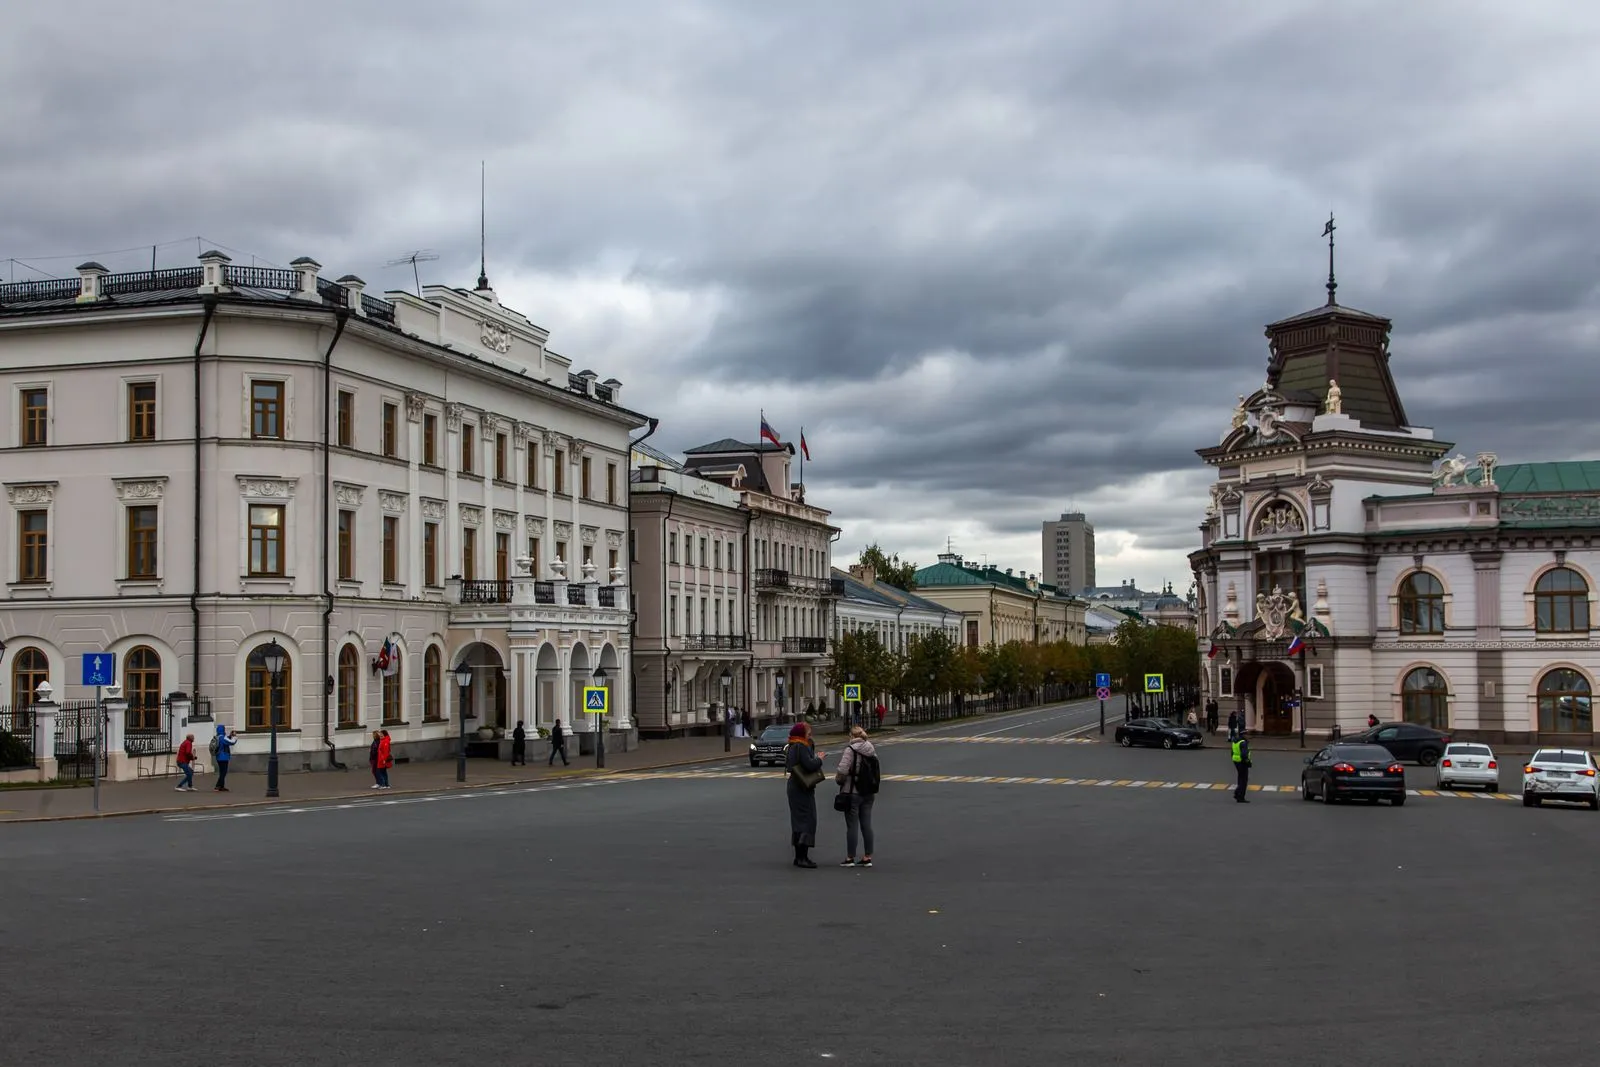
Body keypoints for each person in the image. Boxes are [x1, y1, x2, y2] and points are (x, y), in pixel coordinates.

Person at [834, 726, 878, 867]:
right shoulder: (870, 748)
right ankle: (867, 857)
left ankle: (850, 858)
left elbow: (842, 770)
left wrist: (839, 781)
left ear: (851, 736)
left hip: (852, 791)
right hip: (868, 792)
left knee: (852, 825)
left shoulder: (850, 749)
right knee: (866, 824)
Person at [784, 721, 825, 868]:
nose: (810, 735)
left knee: (799, 820)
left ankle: (799, 857)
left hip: (795, 786)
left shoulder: (793, 745)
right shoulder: (801, 746)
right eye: (808, 733)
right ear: (802, 735)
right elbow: (809, 765)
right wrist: (819, 759)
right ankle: (802, 858)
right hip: (802, 786)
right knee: (807, 820)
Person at [211, 724, 237, 791]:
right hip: (224, 757)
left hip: (219, 757)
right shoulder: (222, 737)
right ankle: (217, 786)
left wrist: (230, 736)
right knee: (223, 772)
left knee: (222, 772)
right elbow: (231, 742)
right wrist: (234, 736)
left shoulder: (218, 737)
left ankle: (221, 786)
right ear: (223, 730)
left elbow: (226, 740)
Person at [1231, 733, 1252, 803]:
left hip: (1236, 761)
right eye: (1247, 734)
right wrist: (1248, 762)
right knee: (1244, 780)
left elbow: (1232, 752)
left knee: (1240, 778)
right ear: (1244, 735)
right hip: (1242, 762)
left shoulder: (1235, 741)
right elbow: (1244, 755)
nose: (1248, 736)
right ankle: (1240, 796)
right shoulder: (1243, 743)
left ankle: (1237, 794)